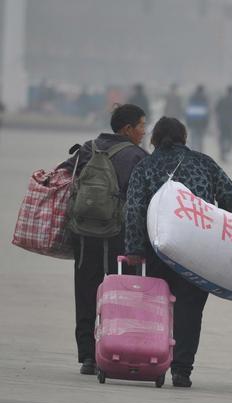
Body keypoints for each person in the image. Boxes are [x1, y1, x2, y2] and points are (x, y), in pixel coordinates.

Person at [125, 117, 232, 388]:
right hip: (198, 251)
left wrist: (134, 248)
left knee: (157, 308)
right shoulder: (204, 163)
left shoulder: (146, 166)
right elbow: (231, 196)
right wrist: (230, 228)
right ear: (184, 137)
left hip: (157, 249)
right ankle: (182, 369)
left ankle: (156, 364)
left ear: (154, 139)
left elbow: (133, 209)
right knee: (190, 310)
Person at [57, 104, 148, 375]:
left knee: (85, 292)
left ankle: (87, 355)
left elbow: (63, 174)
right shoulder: (137, 156)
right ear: (127, 128)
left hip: (84, 234)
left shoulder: (87, 148)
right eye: (142, 125)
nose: (144, 131)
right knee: (117, 295)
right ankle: (112, 351)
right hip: (118, 237)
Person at [215, 85, 232, 162]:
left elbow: (216, 110)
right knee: (230, 138)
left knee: (222, 137)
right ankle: (227, 150)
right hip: (230, 122)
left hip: (222, 122)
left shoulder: (222, 99)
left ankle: (222, 152)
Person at [185, 85, 210, 153]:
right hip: (202, 122)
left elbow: (188, 110)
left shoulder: (192, 97)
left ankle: (193, 151)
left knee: (193, 137)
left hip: (193, 121)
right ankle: (200, 151)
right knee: (200, 138)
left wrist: (188, 121)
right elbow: (207, 112)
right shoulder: (205, 98)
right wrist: (207, 123)